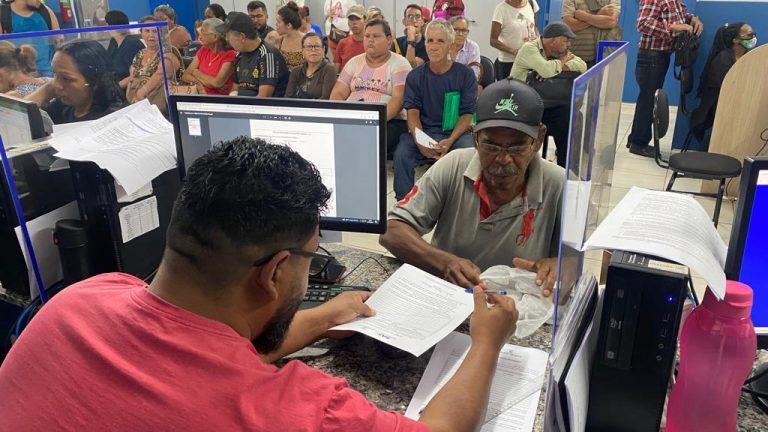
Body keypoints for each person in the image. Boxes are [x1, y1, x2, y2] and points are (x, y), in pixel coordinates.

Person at [0, 135, 520, 432]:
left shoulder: (79, 300)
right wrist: (485, 342)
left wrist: (319, 319)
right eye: (308, 257)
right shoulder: (287, 413)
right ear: (274, 271)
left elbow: (188, 353)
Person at [381, 79, 564, 296]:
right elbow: (391, 230)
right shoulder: (454, 165)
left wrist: (560, 265)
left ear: (538, 140)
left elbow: (580, 262)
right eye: (491, 145)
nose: (503, 158)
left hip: (518, 306)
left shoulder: (559, 185)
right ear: (475, 137)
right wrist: (444, 262)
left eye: (516, 146)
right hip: (450, 298)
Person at [393, 19, 477, 201]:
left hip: (456, 134)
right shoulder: (415, 76)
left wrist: (450, 140)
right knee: (402, 153)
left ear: (450, 44)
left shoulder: (465, 75)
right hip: (425, 132)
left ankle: (462, 203)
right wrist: (420, 140)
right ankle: (403, 202)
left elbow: (467, 115)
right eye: (430, 40)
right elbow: (412, 113)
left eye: (440, 41)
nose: (434, 46)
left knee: (469, 152)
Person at [627, 0, 702, 158]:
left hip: (660, 56)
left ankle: (635, 139)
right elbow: (643, 23)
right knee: (648, 100)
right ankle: (638, 144)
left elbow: (673, 16)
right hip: (651, 56)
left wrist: (691, 18)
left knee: (647, 99)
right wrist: (672, 28)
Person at [330, 19, 412, 158]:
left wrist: (372, 120)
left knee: (363, 140)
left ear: (388, 39)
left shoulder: (400, 64)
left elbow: (398, 100)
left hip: (388, 121)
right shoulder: (355, 62)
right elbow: (337, 93)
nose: (370, 40)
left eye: (376, 36)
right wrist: (343, 117)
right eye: (367, 36)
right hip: (352, 119)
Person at [511, 23, 586, 167]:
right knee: (564, 119)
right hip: (522, 106)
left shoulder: (558, 52)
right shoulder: (529, 48)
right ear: (553, 41)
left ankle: (566, 169)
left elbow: (582, 65)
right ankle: (525, 166)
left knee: (571, 117)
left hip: (546, 104)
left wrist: (554, 68)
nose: (569, 45)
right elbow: (546, 70)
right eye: (565, 41)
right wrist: (559, 64)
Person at [25, 40, 125, 124]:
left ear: (94, 82)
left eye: (66, 79)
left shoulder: (110, 118)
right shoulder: (64, 106)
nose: (56, 85)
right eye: (54, 74)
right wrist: (46, 90)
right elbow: (21, 120)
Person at [690, 22, 755, 145]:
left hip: (735, 105)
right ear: (736, 40)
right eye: (749, 35)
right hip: (718, 109)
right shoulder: (723, 59)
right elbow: (728, 91)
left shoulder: (747, 58)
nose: (753, 38)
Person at [222, 12, 289, 97]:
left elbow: (263, 99)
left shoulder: (267, 55)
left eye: (228, 35)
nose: (226, 39)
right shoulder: (240, 55)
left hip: (264, 108)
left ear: (242, 37)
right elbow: (235, 90)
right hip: (243, 107)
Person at [124, 16, 183, 114]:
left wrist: (140, 94)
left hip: (162, 110)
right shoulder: (140, 54)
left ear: (161, 34)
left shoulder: (169, 52)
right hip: (136, 105)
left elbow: (161, 74)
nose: (151, 35)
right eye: (147, 31)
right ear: (141, 33)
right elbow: (132, 77)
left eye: (155, 31)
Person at [0, 0, 60, 77]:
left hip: (48, 71)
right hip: (19, 73)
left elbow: (58, 38)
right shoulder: (4, 14)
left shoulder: (45, 11)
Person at [181, 18, 237, 95]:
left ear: (215, 37)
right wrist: (199, 84)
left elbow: (217, 83)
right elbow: (185, 75)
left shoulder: (230, 54)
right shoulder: (203, 49)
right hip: (200, 96)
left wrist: (196, 72)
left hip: (219, 100)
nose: (199, 37)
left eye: (203, 33)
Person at [562, 0, 621, 68]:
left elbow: (611, 22)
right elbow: (569, 25)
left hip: (603, 57)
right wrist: (599, 16)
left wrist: (585, 17)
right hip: (576, 58)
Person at [491, 0, 539, 81]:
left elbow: (534, 27)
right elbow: (493, 40)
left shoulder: (532, 3)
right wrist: (515, 52)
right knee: (509, 92)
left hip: (530, 60)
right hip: (509, 63)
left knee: (528, 91)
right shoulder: (501, 9)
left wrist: (536, 40)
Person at [285, 32, 336, 99]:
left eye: (317, 46)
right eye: (309, 46)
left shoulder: (329, 69)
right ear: (302, 51)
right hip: (296, 108)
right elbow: (288, 97)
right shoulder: (296, 71)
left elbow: (326, 98)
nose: (313, 50)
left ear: (323, 50)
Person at [104, 10, 145, 86]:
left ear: (107, 25)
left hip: (127, 91)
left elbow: (137, 75)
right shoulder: (113, 42)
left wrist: (115, 88)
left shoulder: (132, 44)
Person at [274, 2, 305, 71]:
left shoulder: (307, 40)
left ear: (288, 25)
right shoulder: (279, 41)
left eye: (278, 22)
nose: (276, 24)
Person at [333, 4, 365, 71]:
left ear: (365, 20)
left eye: (358, 19)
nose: (354, 23)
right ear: (348, 23)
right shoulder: (342, 43)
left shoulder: (371, 43)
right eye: (351, 19)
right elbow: (335, 72)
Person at [449, 16, 481, 82]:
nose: (460, 34)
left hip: (465, 86)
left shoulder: (473, 47)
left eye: (464, 30)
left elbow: (473, 75)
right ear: (449, 31)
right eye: (456, 30)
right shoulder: (443, 45)